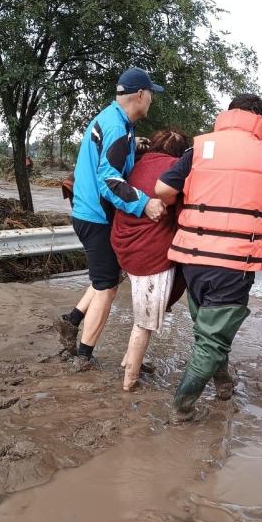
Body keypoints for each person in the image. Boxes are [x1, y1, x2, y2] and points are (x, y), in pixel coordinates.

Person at [155, 93, 262, 422]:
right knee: (211, 339)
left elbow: (162, 190)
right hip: (235, 262)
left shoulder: (199, 148)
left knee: (206, 330)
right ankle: (181, 408)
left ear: (229, 114)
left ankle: (223, 384)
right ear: (260, 119)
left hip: (192, 258)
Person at [55, 67, 167, 371]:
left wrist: (136, 145)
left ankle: (72, 320)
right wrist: (144, 204)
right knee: (107, 286)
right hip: (96, 217)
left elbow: (112, 155)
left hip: (86, 212)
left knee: (108, 275)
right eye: (151, 96)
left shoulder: (114, 120)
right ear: (141, 95)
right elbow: (109, 179)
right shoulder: (118, 129)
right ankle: (83, 356)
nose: (151, 102)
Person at [110, 128, 191, 391]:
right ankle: (129, 381)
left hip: (123, 245)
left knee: (143, 312)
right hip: (150, 253)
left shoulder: (137, 164)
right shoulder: (175, 171)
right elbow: (183, 215)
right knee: (144, 322)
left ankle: (129, 361)